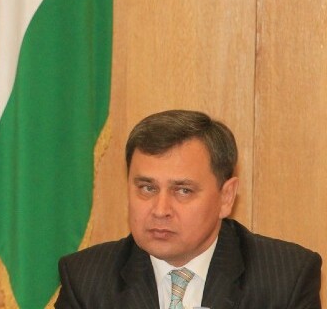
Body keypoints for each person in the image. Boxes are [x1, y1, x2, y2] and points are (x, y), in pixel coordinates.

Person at [55, 109, 321, 308]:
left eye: (183, 191)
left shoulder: (286, 278)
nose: (160, 210)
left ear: (226, 197)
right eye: (147, 188)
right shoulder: (86, 280)